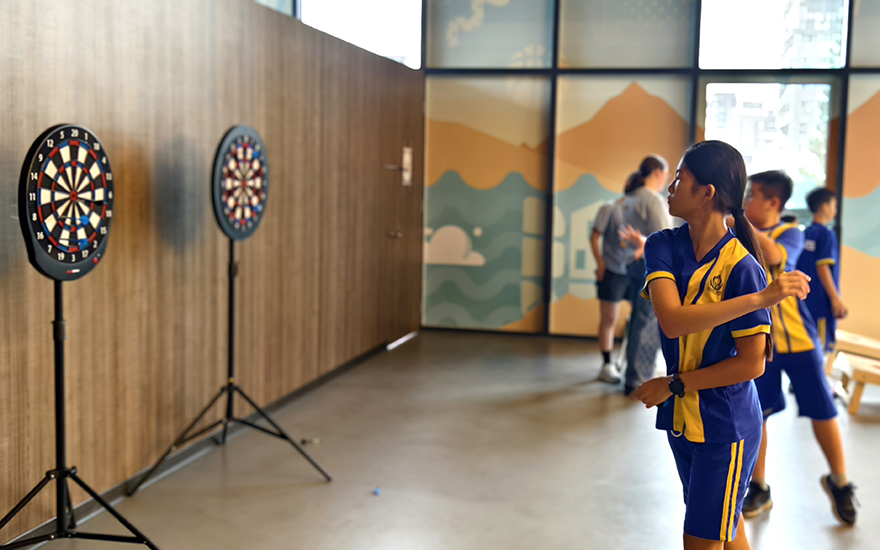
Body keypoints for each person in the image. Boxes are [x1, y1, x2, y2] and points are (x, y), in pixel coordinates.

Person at [635, 141, 810, 549]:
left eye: (680, 178)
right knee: (725, 530)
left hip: (725, 427)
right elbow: (672, 321)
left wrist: (674, 384)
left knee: (702, 538)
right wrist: (760, 299)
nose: (671, 187)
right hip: (683, 421)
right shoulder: (663, 245)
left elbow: (751, 365)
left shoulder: (743, 268)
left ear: (706, 192)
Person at [739, 171, 857, 526]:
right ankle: (759, 487)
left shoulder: (790, 232)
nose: (745, 202)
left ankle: (840, 482)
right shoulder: (736, 235)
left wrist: (736, 218)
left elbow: (775, 255)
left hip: (800, 341)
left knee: (823, 410)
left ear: (773, 203)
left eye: (751, 196)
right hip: (761, 344)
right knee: (757, 415)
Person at [620, 155, 674, 395]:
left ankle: (633, 374)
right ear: (658, 173)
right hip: (649, 265)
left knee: (638, 320)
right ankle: (638, 377)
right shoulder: (652, 199)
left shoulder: (630, 198)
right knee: (647, 321)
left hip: (631, 263)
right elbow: (665, 236)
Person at [591, 175, 645, 383]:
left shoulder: (644, 213)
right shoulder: (610, 208)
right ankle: (606, 364)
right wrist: (600, 263)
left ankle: (630, 363)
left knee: (639, 318)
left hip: (635, 270)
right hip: (613, 270)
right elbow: (594, 236)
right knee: (610, 319)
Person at [796, 187, 846, 351]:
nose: (835, 210)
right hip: (821, 301)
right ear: (825, 207)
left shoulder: (805, 232)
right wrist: (836, 298)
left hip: (804, 299)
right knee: (821, 348)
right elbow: (822, 267)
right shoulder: (826, 234)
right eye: (834, 206)